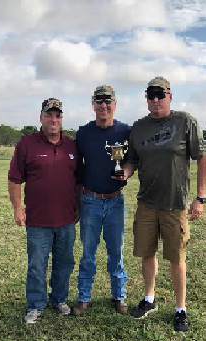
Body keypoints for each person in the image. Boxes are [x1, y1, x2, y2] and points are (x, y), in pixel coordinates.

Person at [119, 76, 206, 332]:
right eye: (151, 95)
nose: (156, 99)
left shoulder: (185, 121)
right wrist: (124, 173)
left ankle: (180, 308)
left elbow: (203, 158)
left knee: (176, 257)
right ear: (146, 98)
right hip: (147, 203)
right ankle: (149, 299)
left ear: (170, 96)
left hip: (175, 204)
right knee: (146, 253)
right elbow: (132, 161)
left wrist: (200, 197)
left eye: (161, 95)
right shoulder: (138, 127)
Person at [7, 98, 79, 324]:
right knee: (37, 264)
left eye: (57, 115)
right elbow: (14, 179)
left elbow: (78, 181)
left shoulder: (72, 145)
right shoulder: (26, 144)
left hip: (67, 218)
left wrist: (78, 206)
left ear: (62, 119)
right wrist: (18, 208)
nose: (53, 119)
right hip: (37, 219)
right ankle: (36, 305)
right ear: (41, 118)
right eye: (49, 115)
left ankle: (59, 299)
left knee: (64, 262)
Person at [72, 85, 130, 316]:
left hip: (116, 200)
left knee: (116, 252)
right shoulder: (83, 133)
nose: (103, 106)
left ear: (115, 105)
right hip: (90, 200)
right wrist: (78, 202)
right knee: (88, 253)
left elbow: (133, 161)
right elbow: (77, 170)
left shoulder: (126, 131)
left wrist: (125, 171)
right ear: (93, 105)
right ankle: (84, 297)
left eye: (108, 101)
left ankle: (119, 296)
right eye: (99, 101)